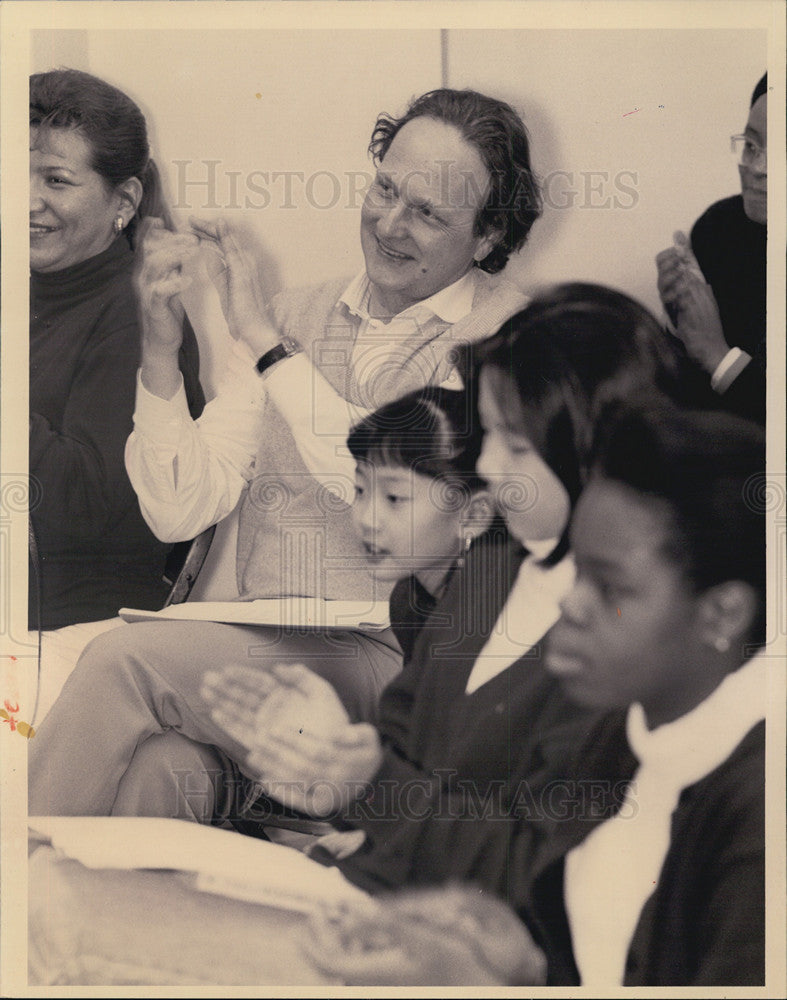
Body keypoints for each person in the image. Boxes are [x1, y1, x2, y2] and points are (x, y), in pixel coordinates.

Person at [29, 88, 540, 813]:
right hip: (263, 639)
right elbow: (181, 510)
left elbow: (385, 484)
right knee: (160, 768)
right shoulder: (299, 311)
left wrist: (266, 346)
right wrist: (159, 351)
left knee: (123, 662)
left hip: (402, 660)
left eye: (428, 213)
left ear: (486, 238)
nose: (390, 224)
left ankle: (10, 892)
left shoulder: (510, 340)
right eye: (385, 189)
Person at [199, 284, 687, 898]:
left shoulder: (639, 650)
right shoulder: (490, 569)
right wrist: (332, 761)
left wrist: (367, 784)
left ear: (598, 453)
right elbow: (404, 754)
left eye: (514, 445)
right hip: (374, 896)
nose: (484, 468)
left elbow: (547, 881)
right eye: (486, 436)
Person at [304, 404, 766, 987]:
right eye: (574, 576)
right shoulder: (625, 735)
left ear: (723, 613)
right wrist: (516, 962)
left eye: (610, 585)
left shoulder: (756, 807)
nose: (570, 605)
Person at [29, 68, 205, 630]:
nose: (27, 201)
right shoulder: (25, 290)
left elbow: (82, 513)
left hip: (71, 630)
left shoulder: (136, 316)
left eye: (56, 181)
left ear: (123, 200)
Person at [656, 73, 767, 424]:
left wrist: (718, 356)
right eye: (751, 145)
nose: (756, 168)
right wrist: (679, 321)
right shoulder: (720, 227)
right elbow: (687, 399)